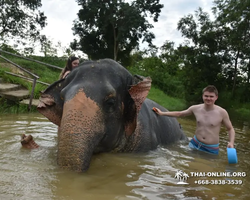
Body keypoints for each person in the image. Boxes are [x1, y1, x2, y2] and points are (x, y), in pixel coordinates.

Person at [152, 85, 235, 155]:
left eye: (211, 96)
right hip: (194, 144)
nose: (208, 98)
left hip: (211, 149)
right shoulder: (195, 108)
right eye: (206, 96)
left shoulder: (222, 112)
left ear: (216, 97)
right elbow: (180, 113)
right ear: (202, 96)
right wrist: (162, 113)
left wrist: (231, 142)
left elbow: (230, 129)